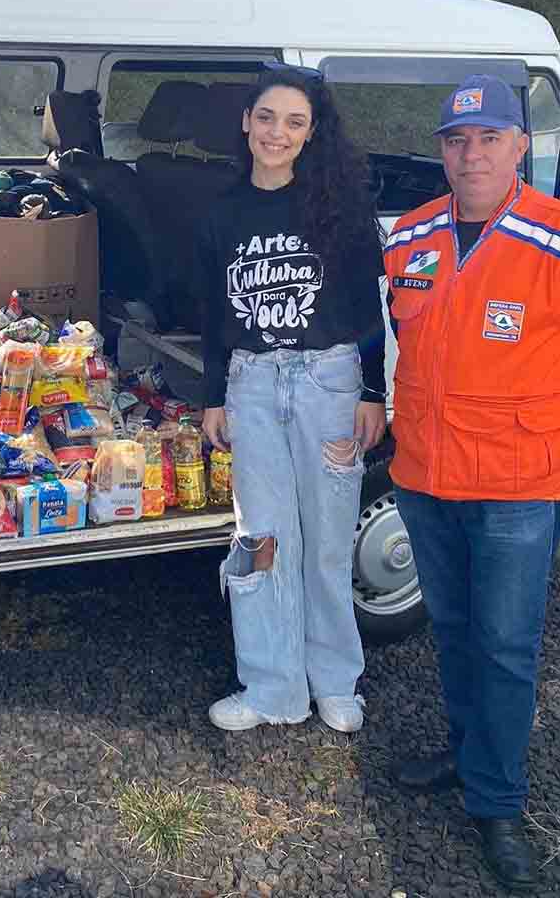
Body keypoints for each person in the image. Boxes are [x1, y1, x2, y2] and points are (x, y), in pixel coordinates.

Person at [385, 74, 560, 891]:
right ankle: (467, 754)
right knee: (454, 632)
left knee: (506, 645)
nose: (472, 154)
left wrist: (553, 403)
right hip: (425, 476)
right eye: (457, 140)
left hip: (516, 485)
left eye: (490, 138)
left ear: (522, 146)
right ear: (441, 150)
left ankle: (498, 803)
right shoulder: (410, 235)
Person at [199, 67, 386, 735]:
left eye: (295, 122)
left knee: (329, 542)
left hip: (328, 383)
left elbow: (367, 309)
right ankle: (271, 687)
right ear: (246, 123)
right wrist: (213, 396)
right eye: (267, 117)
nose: (277, 132)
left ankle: (335, 680)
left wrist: (373, 390)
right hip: (250, 384)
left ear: (311, 134)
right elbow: (212, 313)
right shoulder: (221, 212)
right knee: (261, 538)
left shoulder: (337, 208)